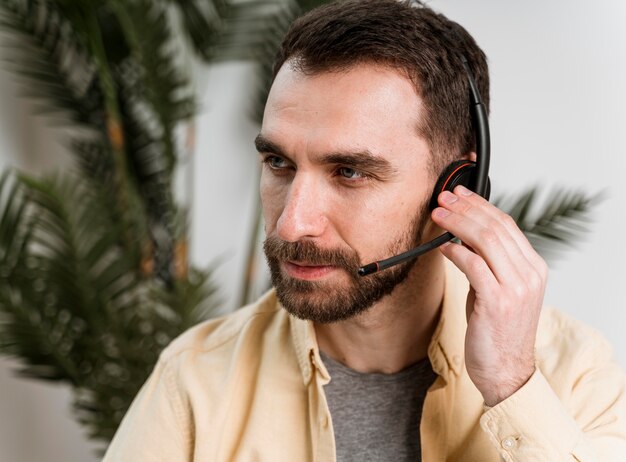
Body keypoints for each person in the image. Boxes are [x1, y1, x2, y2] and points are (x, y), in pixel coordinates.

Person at [103, 0, 626, 460]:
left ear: (458, 184)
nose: (292, 222)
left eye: (349, 172)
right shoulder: (193, 383)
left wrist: (511, 386)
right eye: (279, 163)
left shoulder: (572, 373)